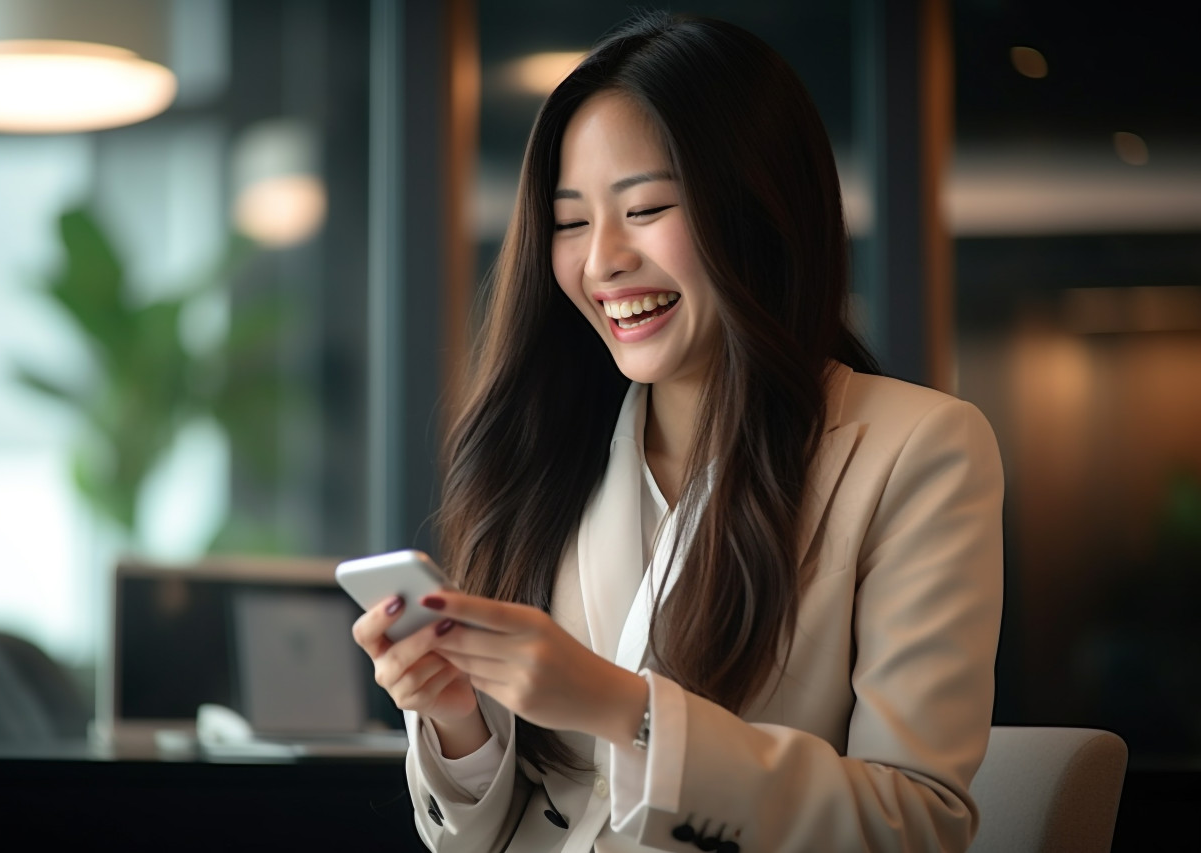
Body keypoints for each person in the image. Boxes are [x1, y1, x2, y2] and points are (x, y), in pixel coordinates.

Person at [352, 11, 1003, 852]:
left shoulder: (919, 449)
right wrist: (457, 721)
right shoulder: (551, 451)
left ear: (763, 210)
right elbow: (497, 828)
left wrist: (624, 708)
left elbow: (915, 823)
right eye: (571, 222)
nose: (602, 261)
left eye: (646, 207)